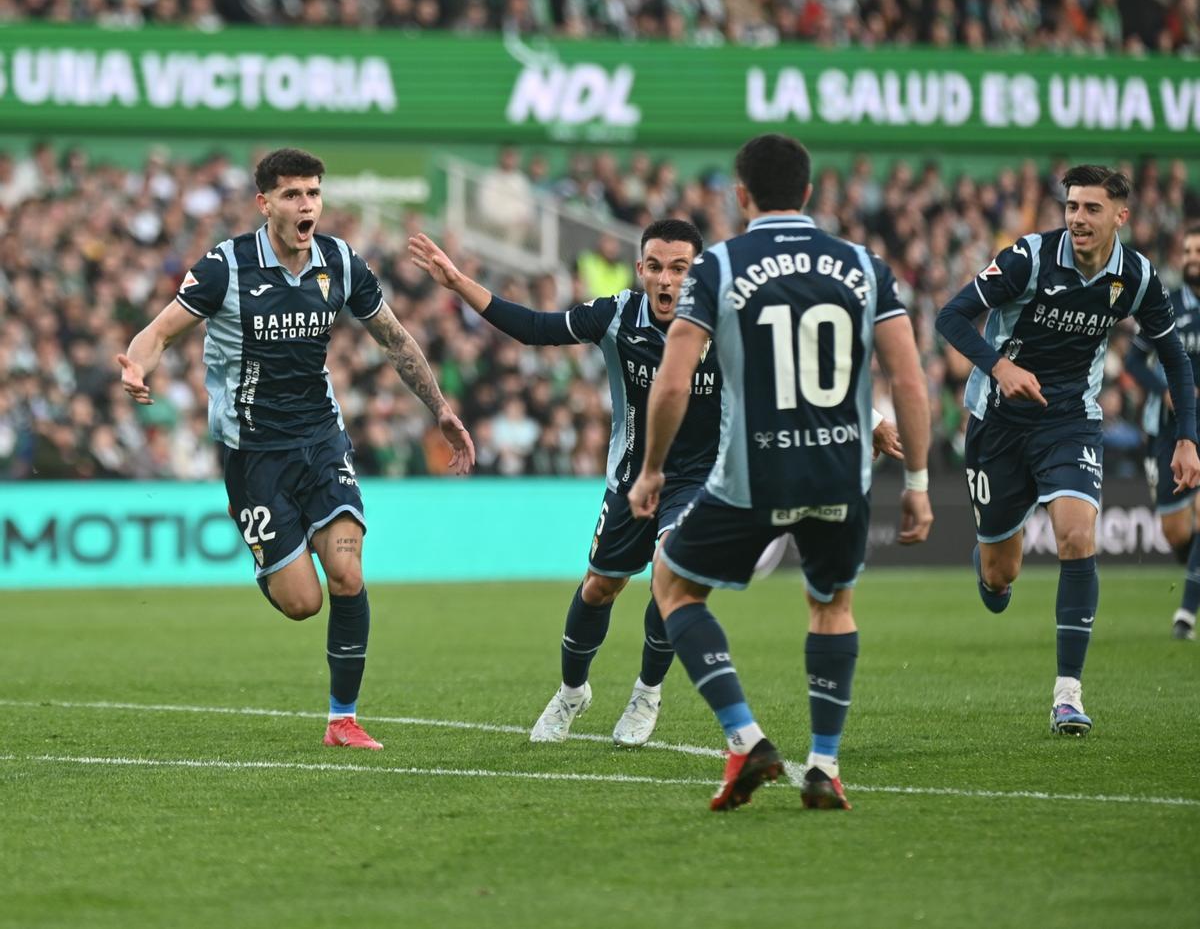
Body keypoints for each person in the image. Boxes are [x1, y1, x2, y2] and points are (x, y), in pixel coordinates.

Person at [410, 221, 904, 749]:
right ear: (640, 269)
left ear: (697, 273)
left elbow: (799, 366)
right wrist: (458, 282)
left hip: (700, 479)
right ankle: (572, 693)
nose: (666, 279)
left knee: (671, 576)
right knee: (599, 588)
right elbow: (534, 327)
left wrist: (872, 417)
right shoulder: (617, 316)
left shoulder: (731, 319)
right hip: (631, 476)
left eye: (679, 268)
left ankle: (647, 692)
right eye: (656, 267)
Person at [117, 147, 475, 749]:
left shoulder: (340, 261)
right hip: (253, 455)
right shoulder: (226, 267)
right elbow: (158, 334)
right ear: (266, 203)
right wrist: (137, 366)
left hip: (320, 440)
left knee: (347, 573)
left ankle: (343, 720)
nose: (306, 204)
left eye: (313, 193)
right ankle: (265, 543)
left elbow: (394, 339)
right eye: (292, 194)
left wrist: (440, 408)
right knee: (304, 602)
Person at [628, 133, 933, 812]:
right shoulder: (864, 265)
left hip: (755, 474)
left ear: (741, 195)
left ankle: (745, 738)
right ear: (809, 191)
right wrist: (916, 483)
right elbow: (910, 381)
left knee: (673, 583)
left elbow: (673, 381)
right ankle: (823, 764)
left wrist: (651, 470)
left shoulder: (719, 266)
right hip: (841, 473)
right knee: (831, 605)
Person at [936, 165, 1200, 735]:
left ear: (1120, 217)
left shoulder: (1136, 276)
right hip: (997, 423)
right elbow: (950, 316)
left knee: (1078, 536)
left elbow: (1174, 357)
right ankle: (990, 571)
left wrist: (1186, 437)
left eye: (1091, 209)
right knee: (1001, 573)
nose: (1078, 218)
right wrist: (1000, 367)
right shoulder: (1028, 258)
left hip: (1070, 421)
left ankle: (1067, 695)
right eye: (1072, 206)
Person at [1125, 223, 1200, 640]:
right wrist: (1165, 390)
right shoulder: (1166, 305)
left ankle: (1185, 615)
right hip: (1168, 429)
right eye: (1187, 251)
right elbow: (1134, 362)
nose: (1192, 258)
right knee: (1177, 532)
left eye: (1198, 251)